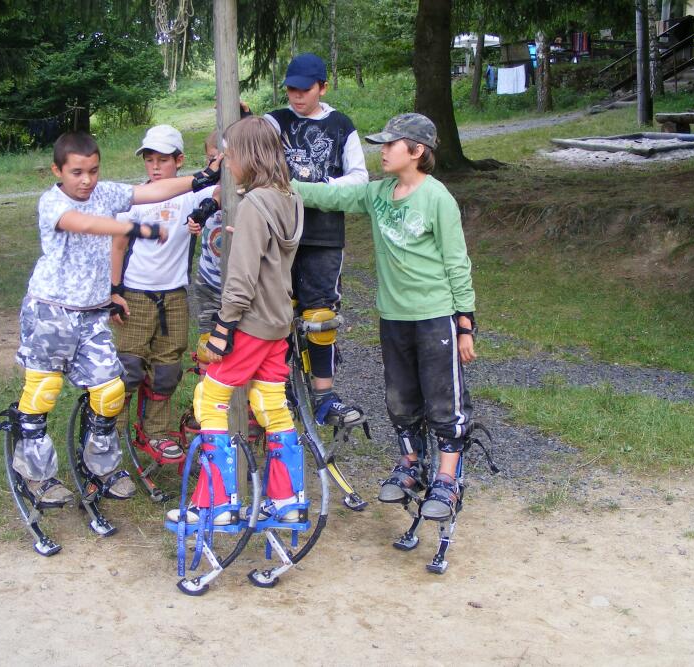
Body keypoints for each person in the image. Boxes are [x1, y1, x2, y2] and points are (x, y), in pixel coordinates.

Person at [9, 130, 220, 507]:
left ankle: (102, 468)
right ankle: (35, 475)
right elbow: (85, 224)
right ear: (58, 171)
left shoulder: (104, 192)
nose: (86, 180)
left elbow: (152, 192)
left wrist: (200, 178)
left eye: (93, 171)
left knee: (109, 392)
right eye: (77, 172)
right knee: (43, 392)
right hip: (51, 311)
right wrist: (134, 228)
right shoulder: (53, 202)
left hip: (92, 312)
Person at [291, 113, 477, 522]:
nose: (383, 151)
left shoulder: (438, 199)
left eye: (391, 144)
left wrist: (465, 324)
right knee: (400, 397)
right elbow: (329, 197)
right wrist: (280, 185)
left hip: (436, 316)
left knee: (443, 400)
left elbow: (457, 263)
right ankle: (411, 463)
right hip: (394, 317)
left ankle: (447, 479)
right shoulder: (377, 193)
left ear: (417, 150)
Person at [167, 116, 304, 525]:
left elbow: (242, 279)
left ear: (248, 155)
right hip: (278, 321)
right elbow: (272, 257)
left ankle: (217, 502)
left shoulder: (252, 206)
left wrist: (222, 329)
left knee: (209, 398)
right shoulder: (289, 197)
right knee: (271, 403)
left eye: (230, 155)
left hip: (250, 323)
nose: (226, 162)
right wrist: (244, 232)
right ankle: (287, 500)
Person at [263, 52, 369, 429]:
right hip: (279, 233)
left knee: (320, 315)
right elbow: (243, 147)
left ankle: (324, 397)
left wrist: (319, 187)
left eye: (304, 89)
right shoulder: (274, 121)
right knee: (277, 312)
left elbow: (359, 179)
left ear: (322, 87)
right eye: (291, 89)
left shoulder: (341, 125)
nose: (296, 96)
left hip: (323, 235)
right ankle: (277, 389)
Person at [110, 125, 217, 461]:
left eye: (163, 160)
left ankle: (155, 433)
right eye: (149, 160)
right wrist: (114, 291)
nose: (155, 167)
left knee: (167, 368)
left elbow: (222, 186)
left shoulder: (191, 194)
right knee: (129, 366)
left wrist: (206, 209)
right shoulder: (136, 199)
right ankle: (109, 433)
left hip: (174, 295)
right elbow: (118, 245)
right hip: (136, 293)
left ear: (179, 160)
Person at [187, 131, 224, 375]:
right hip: (209, 281)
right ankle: (205, 391)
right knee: (207, 348)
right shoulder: (205, 188)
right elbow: (196, 213)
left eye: (223, 159)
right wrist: (195, 222)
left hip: (241, 286)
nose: (218, 166)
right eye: (212, 159)